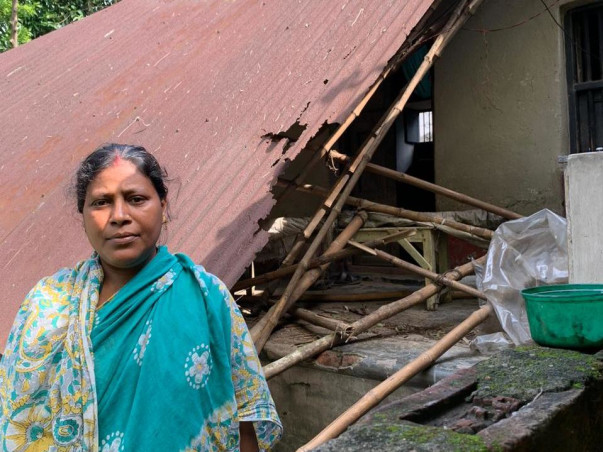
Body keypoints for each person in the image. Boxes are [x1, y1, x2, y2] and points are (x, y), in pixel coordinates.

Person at [0, 144, 282, 451]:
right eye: (101, 203)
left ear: (162, 206)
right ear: (82, 214)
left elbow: (241, 422)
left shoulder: (205, 297)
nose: (119, 216)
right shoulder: (49, 304)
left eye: (136, 199)